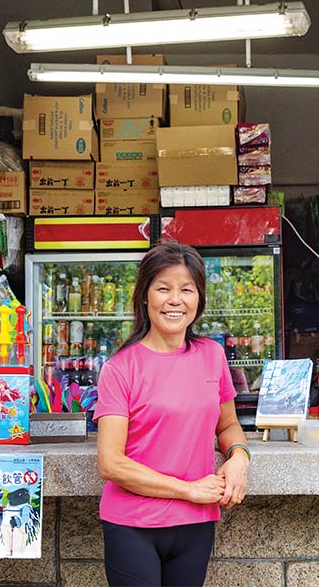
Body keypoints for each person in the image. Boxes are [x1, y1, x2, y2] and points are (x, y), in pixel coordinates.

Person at [94, 241, 251, 587]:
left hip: (195, 525)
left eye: (186, 289)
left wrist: (239, 457)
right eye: (163, 288)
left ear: (199, 299)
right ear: (145, 296)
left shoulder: (212, 355)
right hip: (133, 526)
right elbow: (110, 462)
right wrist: (188, 490)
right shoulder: (121, 368)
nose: (175, 299)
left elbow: (227, 424)